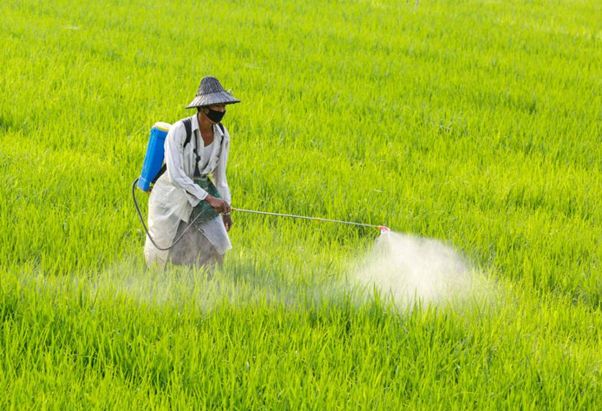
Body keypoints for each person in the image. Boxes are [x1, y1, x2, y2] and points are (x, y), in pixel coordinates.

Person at [144, 76, 240, 270]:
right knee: (161, 248)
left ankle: (212, 280)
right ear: (203, 108)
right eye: (217, 106)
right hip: (170, 194)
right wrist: (209, 199)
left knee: (217, 241)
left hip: (201, 189)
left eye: (224, 106)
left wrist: (225, 208)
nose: (222, 110)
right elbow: (176, 176)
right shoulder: (179, 131)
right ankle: (157, 279)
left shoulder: (222, 135)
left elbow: (220, 178)